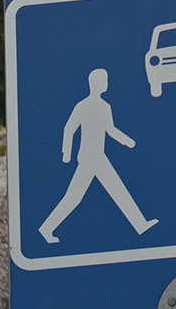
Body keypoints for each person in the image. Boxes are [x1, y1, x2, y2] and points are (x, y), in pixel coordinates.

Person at [39, 68, 157, 244]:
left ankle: (140, 224)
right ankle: (47, 229)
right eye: (104, 80)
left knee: (114, 190)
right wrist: (66, 153)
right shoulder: (83, 105)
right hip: (88, 157)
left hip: (98, 156)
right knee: (75, 197)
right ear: (95, 83)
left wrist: (127, 141)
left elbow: (110, 130)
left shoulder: (105, 106)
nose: (106, 83)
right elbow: (69, 128)